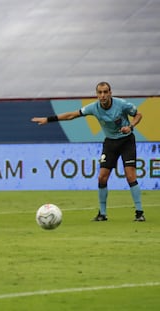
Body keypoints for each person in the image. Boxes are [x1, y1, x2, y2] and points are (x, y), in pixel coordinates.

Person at [31, 81, 144, 222]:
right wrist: (48, 119)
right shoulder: (94, 108)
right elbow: (72, 115)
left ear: (110, 93)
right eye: (99, 92)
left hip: (127, 141)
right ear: (97, 94)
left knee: (130, 176)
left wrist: (131, 126)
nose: (102, 95)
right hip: (110, 143)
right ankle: (102, 214)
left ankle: (139, 213)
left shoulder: (121, 105)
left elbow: (138, 114)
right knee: (102, 177)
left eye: (105, 92)